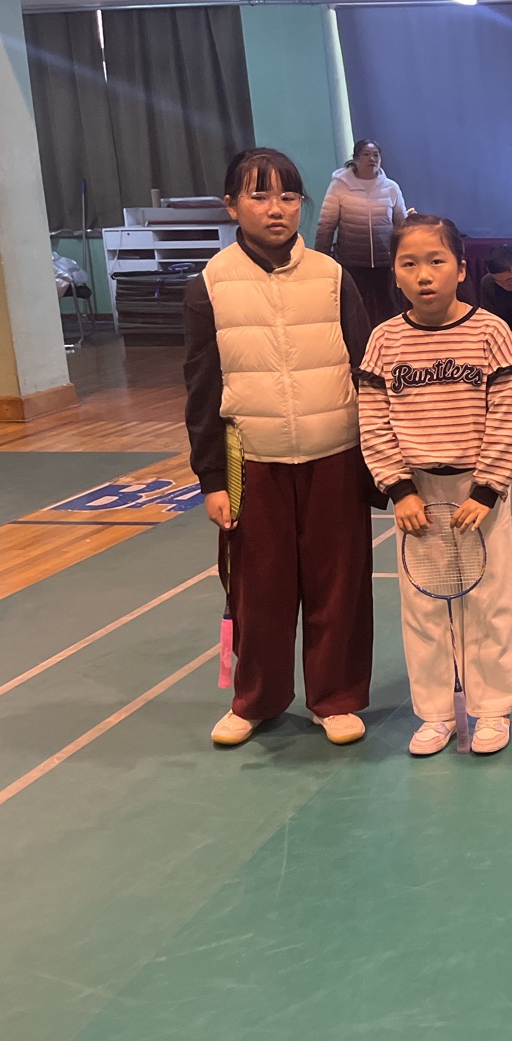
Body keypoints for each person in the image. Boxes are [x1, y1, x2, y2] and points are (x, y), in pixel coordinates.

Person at [184, 148, 375, 748]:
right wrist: (213, 479)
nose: (276, 209)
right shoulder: (210, 284)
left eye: (289, 197)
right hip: (253, 463)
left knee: (338, 587)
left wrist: (376, 463)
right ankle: (257, 699)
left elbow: (366, 372)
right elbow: (201, 389)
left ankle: (335, 697)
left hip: (335, 455)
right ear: (231, 205)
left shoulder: (332, 276)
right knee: (258, 591)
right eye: (260, 195)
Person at [358, 215, 512, 757]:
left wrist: (487, 489)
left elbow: (508, 415)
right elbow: (372, 420)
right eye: (409, 264)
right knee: (423, 606)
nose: (424, 274)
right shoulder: (384, 340)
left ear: (461, 269)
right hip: (417, 496)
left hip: (479, 492)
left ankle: (492, 708)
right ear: (395, 274)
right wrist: (398, 488)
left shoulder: (491, 332)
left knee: (489, 601)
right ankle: (435, 714)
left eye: (437, 261)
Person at [315, 139, 408, 328]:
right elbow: (326, 225)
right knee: (355, 312)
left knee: (389, 310)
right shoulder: (339, 186)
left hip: (385, 262)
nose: (371, 159)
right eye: (366, 154)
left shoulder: (391, 187)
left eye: (375, 155)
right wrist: (321, 259)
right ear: (355, 159)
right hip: (352, 262)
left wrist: (404, 256)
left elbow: (402, 225)